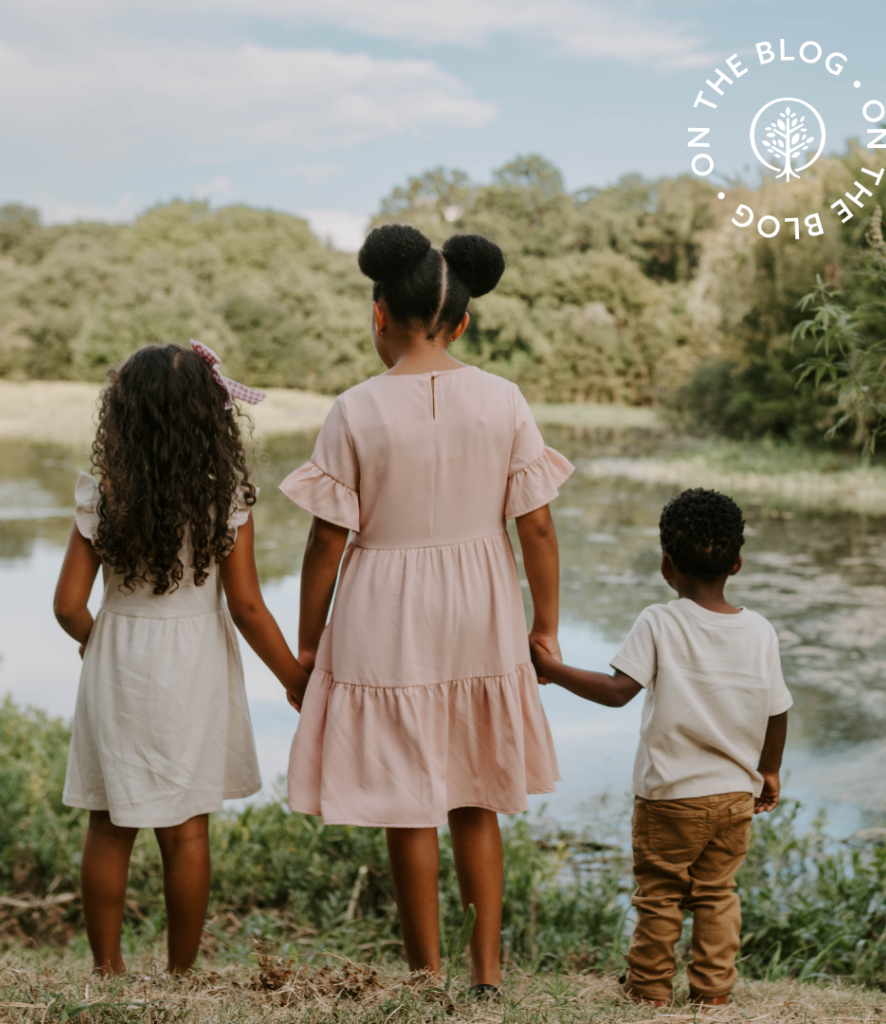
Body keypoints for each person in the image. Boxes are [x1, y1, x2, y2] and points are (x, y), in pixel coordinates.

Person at [279, 224, 573, 994]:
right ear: (465, 319)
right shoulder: (504, 400)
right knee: (477, 793)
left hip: (383, 606)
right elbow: (536, 524)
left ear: (379, 315)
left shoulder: (354, 409)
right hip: (481, 600)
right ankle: (486, 975)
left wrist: (308, 645)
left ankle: (425, 976)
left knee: (407, 802)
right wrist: (544, 624)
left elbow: (324, 542)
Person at [53, 341, 309, 976]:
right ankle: (182, 973)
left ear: (123, 415)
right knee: (187, 829)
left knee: (109, 824)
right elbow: (248, 607)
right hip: (193, 663)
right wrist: (295, 678)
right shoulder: (227, 499)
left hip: (119, 660)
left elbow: (65, 604)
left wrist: (99, 641)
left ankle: (107, 968)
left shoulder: (102, 494)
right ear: (210, 419)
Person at [531, 488, 790, 1008]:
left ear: (666, 565)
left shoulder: (659, 620)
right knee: (717, 895)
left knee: (660, 895)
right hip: (734, 797)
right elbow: (778, 710)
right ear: (737, 562)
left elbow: (616, 692)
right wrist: (770, 772)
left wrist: (552, 671)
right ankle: (712, 995)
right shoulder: (759, 630)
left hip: (670, 796)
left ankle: (649, 991)